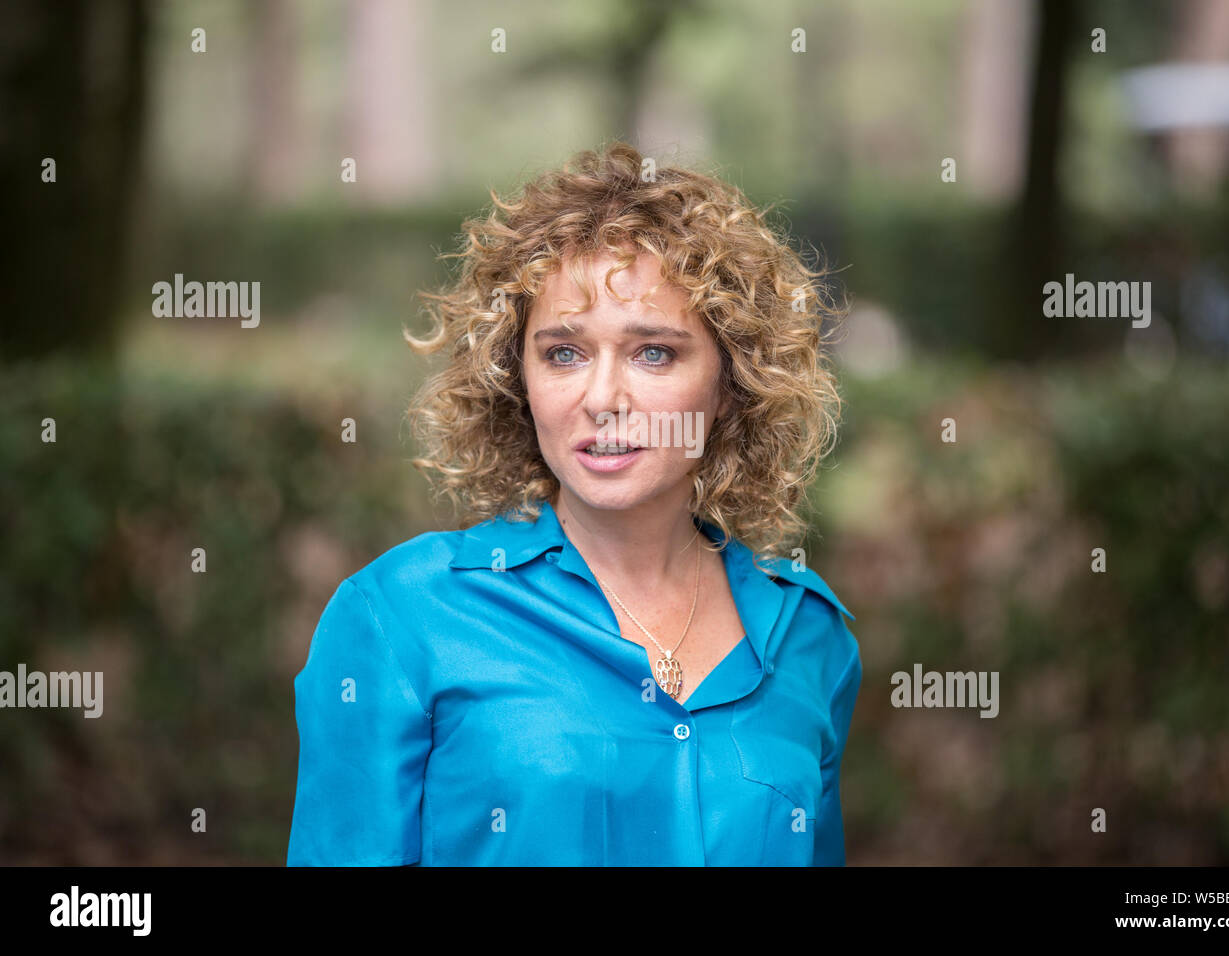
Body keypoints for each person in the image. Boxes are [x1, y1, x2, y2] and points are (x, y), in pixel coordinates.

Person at [287, 141, 862, 866]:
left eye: (653, 351)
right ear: (516, 380)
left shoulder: (810, 636)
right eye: (563, 353)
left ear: (728, 384)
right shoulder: (402, 615)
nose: (602, 399)